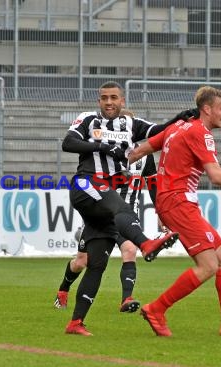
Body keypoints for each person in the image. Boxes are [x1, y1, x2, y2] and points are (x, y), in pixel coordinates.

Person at [127, 86, 221, 337]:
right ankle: (157, 308)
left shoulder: (177, 127)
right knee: (209, 265)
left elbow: (141, 150)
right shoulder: (200, 132)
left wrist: (109, 168)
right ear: (207, 109)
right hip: (179, 203)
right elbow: (216, 176)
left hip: (173, 202)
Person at [62, 81, 197, 336]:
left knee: (97, 263)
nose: (109, 102)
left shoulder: (131, 125)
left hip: (103, 198)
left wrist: (178, 118)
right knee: (122, 208)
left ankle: (75, 323)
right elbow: (68, 143)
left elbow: (157, 130)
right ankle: (146, 244)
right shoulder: (88, 120)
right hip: (86, 183)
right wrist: (100, 146)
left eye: (114, 98)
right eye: (104, 98)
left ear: (122, 101)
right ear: (99, 101)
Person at [54, 109, 163, 315]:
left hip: (126, 215)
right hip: (102, 211)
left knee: (130, 250)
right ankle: (63, 289)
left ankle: (126, 298)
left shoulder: (144, 155)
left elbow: (153, 184)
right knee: (82, 262)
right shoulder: (104, 154)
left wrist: (160, 211)